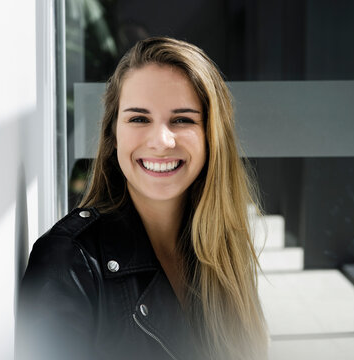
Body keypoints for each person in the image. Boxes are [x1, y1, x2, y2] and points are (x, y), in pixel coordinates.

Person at [15, 37, 268, 360]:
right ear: (113, 135)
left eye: (182, 119)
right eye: (138, 118)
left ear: (211, 137)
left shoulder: (219, 250)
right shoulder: (68, 263)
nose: (161, 141)